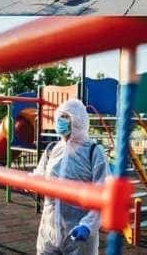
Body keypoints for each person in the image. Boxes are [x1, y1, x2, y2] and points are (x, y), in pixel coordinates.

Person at [33, 99, 108, 255]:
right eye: (60, 117)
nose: (61, 121)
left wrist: (88, 225)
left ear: (78, 120)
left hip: (79, 234)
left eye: (66, 117)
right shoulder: (52, 149)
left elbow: (104, 194)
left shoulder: (94, 152)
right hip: (49, 231)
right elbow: (38, 178)